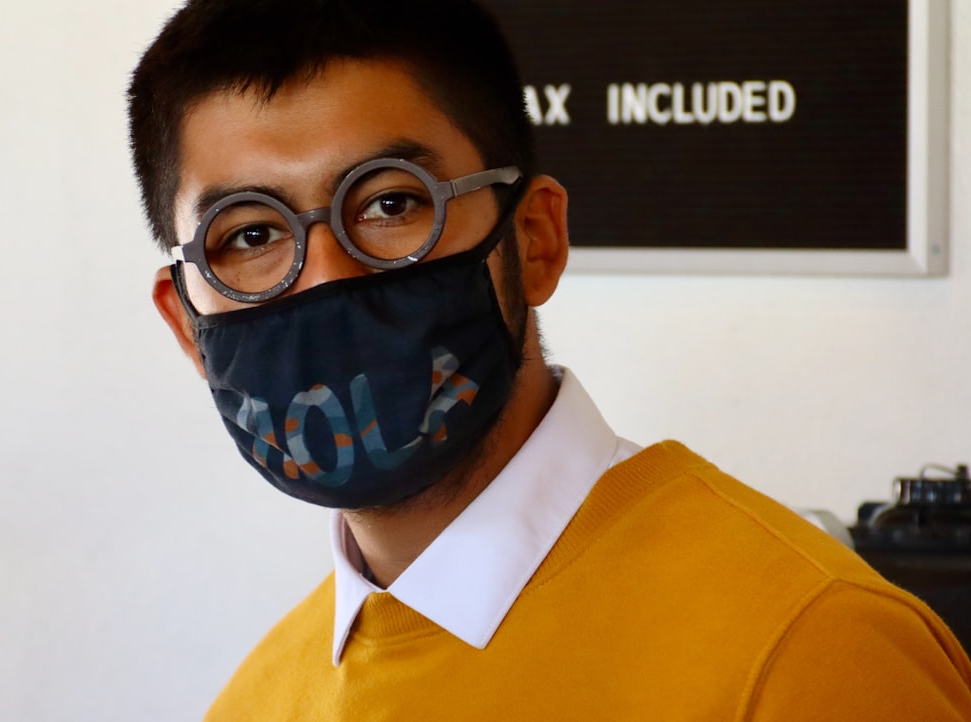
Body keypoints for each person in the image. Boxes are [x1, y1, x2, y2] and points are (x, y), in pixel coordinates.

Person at [128, 1, 971, 719]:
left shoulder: (811, 651)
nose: (327, 276)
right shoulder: (258, 700)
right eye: (249, 236)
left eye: (389, 203)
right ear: (187, 328)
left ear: (535, 240)